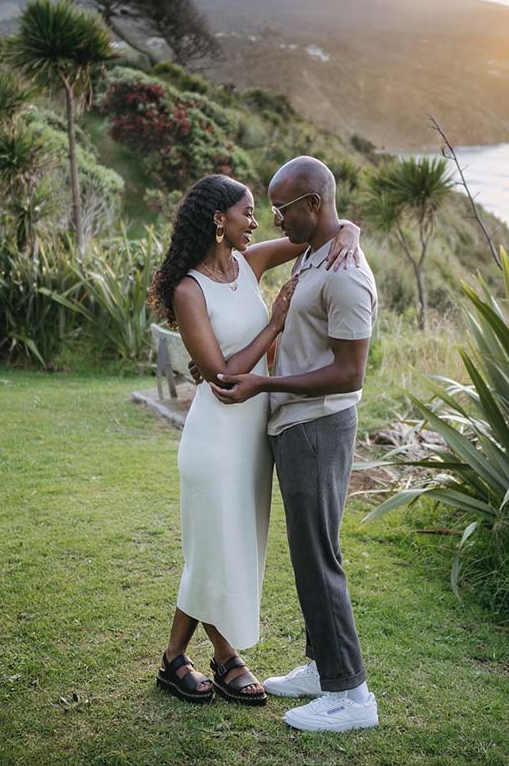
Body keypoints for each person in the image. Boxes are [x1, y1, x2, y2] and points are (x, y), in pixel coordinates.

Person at [146, 173, 360, 707]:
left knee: (234, 547)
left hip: (255, 438)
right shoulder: (188, 289)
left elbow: (318, 229)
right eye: (247, 212)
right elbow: (220, 378)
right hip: (216, 440)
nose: (257, 222)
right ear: (220, 219)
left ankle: (179, 659)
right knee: (215, 548)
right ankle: (221, 656)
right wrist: (275, 324)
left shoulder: (249, 261)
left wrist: (351, 232)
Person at [212, 156, 380, 732]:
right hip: (296, 424)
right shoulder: (316, 252)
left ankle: (352, 695)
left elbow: (349, 373)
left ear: (312, 204)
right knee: (308, 553)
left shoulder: (346, 273)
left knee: (319, 555)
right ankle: (321, 664)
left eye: (282, 209)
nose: (275, 219)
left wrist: (266, 382)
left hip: (318, 424)